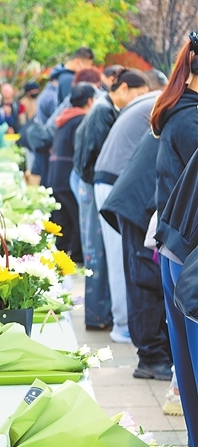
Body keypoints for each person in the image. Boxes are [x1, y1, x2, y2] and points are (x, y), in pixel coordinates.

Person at [73, 68, 150, 336]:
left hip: (96, 183)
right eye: (139, 93)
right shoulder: (104, 109)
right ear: (124, 88)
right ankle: (107, 319)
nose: (139, 99)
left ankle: (103, 316)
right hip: (96, 183)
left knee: (104, 253)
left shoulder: (108, 108)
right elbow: (89, 155)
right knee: (103, 254)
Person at [152, 31, 198, 447]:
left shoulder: (180, 109)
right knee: (191, 361)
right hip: (188, 250)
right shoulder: (191, 119)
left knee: (187, 361)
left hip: (177, 246)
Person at [94, 85, 164, 360]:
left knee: (142, 278)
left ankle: (152, 351)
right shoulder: (181, 107)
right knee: (144, 280)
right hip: (138, 200)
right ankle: (151, 355)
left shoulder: (168, 100)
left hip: (135, 194)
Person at [45, 82, 96, 263]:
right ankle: (75, 256)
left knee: (63, 219)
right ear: (90, 100)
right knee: (76, 217)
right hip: (68, 176)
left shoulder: (64, 118)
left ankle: (62, 255)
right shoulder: (82, 119)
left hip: (55, 175)